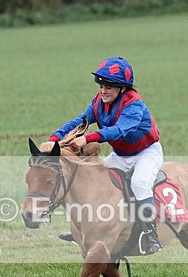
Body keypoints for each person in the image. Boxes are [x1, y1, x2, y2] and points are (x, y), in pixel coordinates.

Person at [47, 56, 163, 255]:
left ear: (122, 88)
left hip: (146, 153)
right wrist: (54, 137)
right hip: (121, 155)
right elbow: (80, 121)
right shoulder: (98, 102)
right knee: (93, 178)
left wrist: (88, 138)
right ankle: (85, 230)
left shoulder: (134, 105)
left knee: (140, 183)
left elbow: (119, 130)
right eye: (100, 86)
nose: (102, 91)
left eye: (108, 87)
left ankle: (151, 234)